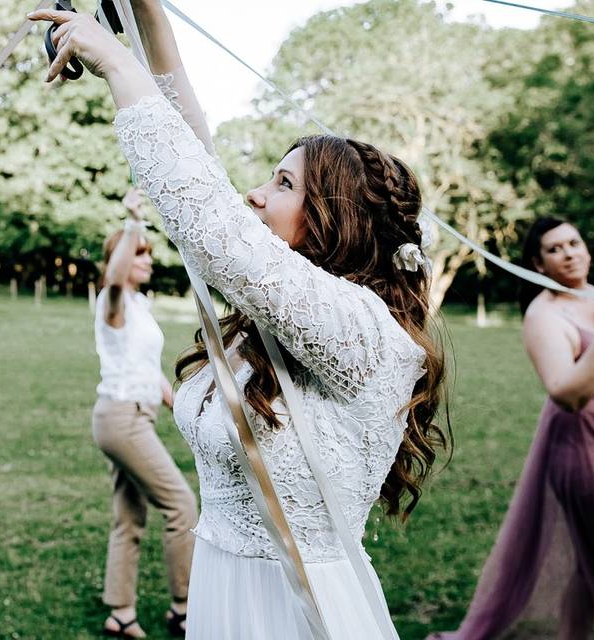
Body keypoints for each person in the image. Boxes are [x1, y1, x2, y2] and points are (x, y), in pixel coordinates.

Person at [29, 4, 449, 638]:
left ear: (335, 221)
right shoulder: (277, 318)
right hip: (223, 594)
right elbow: (196, 161)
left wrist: (113, 60)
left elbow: (213, 222)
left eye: (282, 183)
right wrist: (146, 16)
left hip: (293, 608)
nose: (253, 193)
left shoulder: (362, 330)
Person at [431, 218, 594, 639]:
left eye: (574, 242)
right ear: (538, 264)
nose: (569, 253)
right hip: (583, 454)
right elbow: (565, 392)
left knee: (588, 565)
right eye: (555, 249)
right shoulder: (543, 316)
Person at [92, 186, 198, 638]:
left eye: (147, 252)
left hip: (134, 414)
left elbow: (148, 369)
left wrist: (183, 407)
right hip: (121, 417)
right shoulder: (112, 302)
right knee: (181, 506)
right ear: (119, 259)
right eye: (139, 253)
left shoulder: (138, 305)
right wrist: (134, 222)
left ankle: (120, 613)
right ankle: (184, 607)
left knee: (130, 517)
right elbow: (114, 279)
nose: (148, 259)